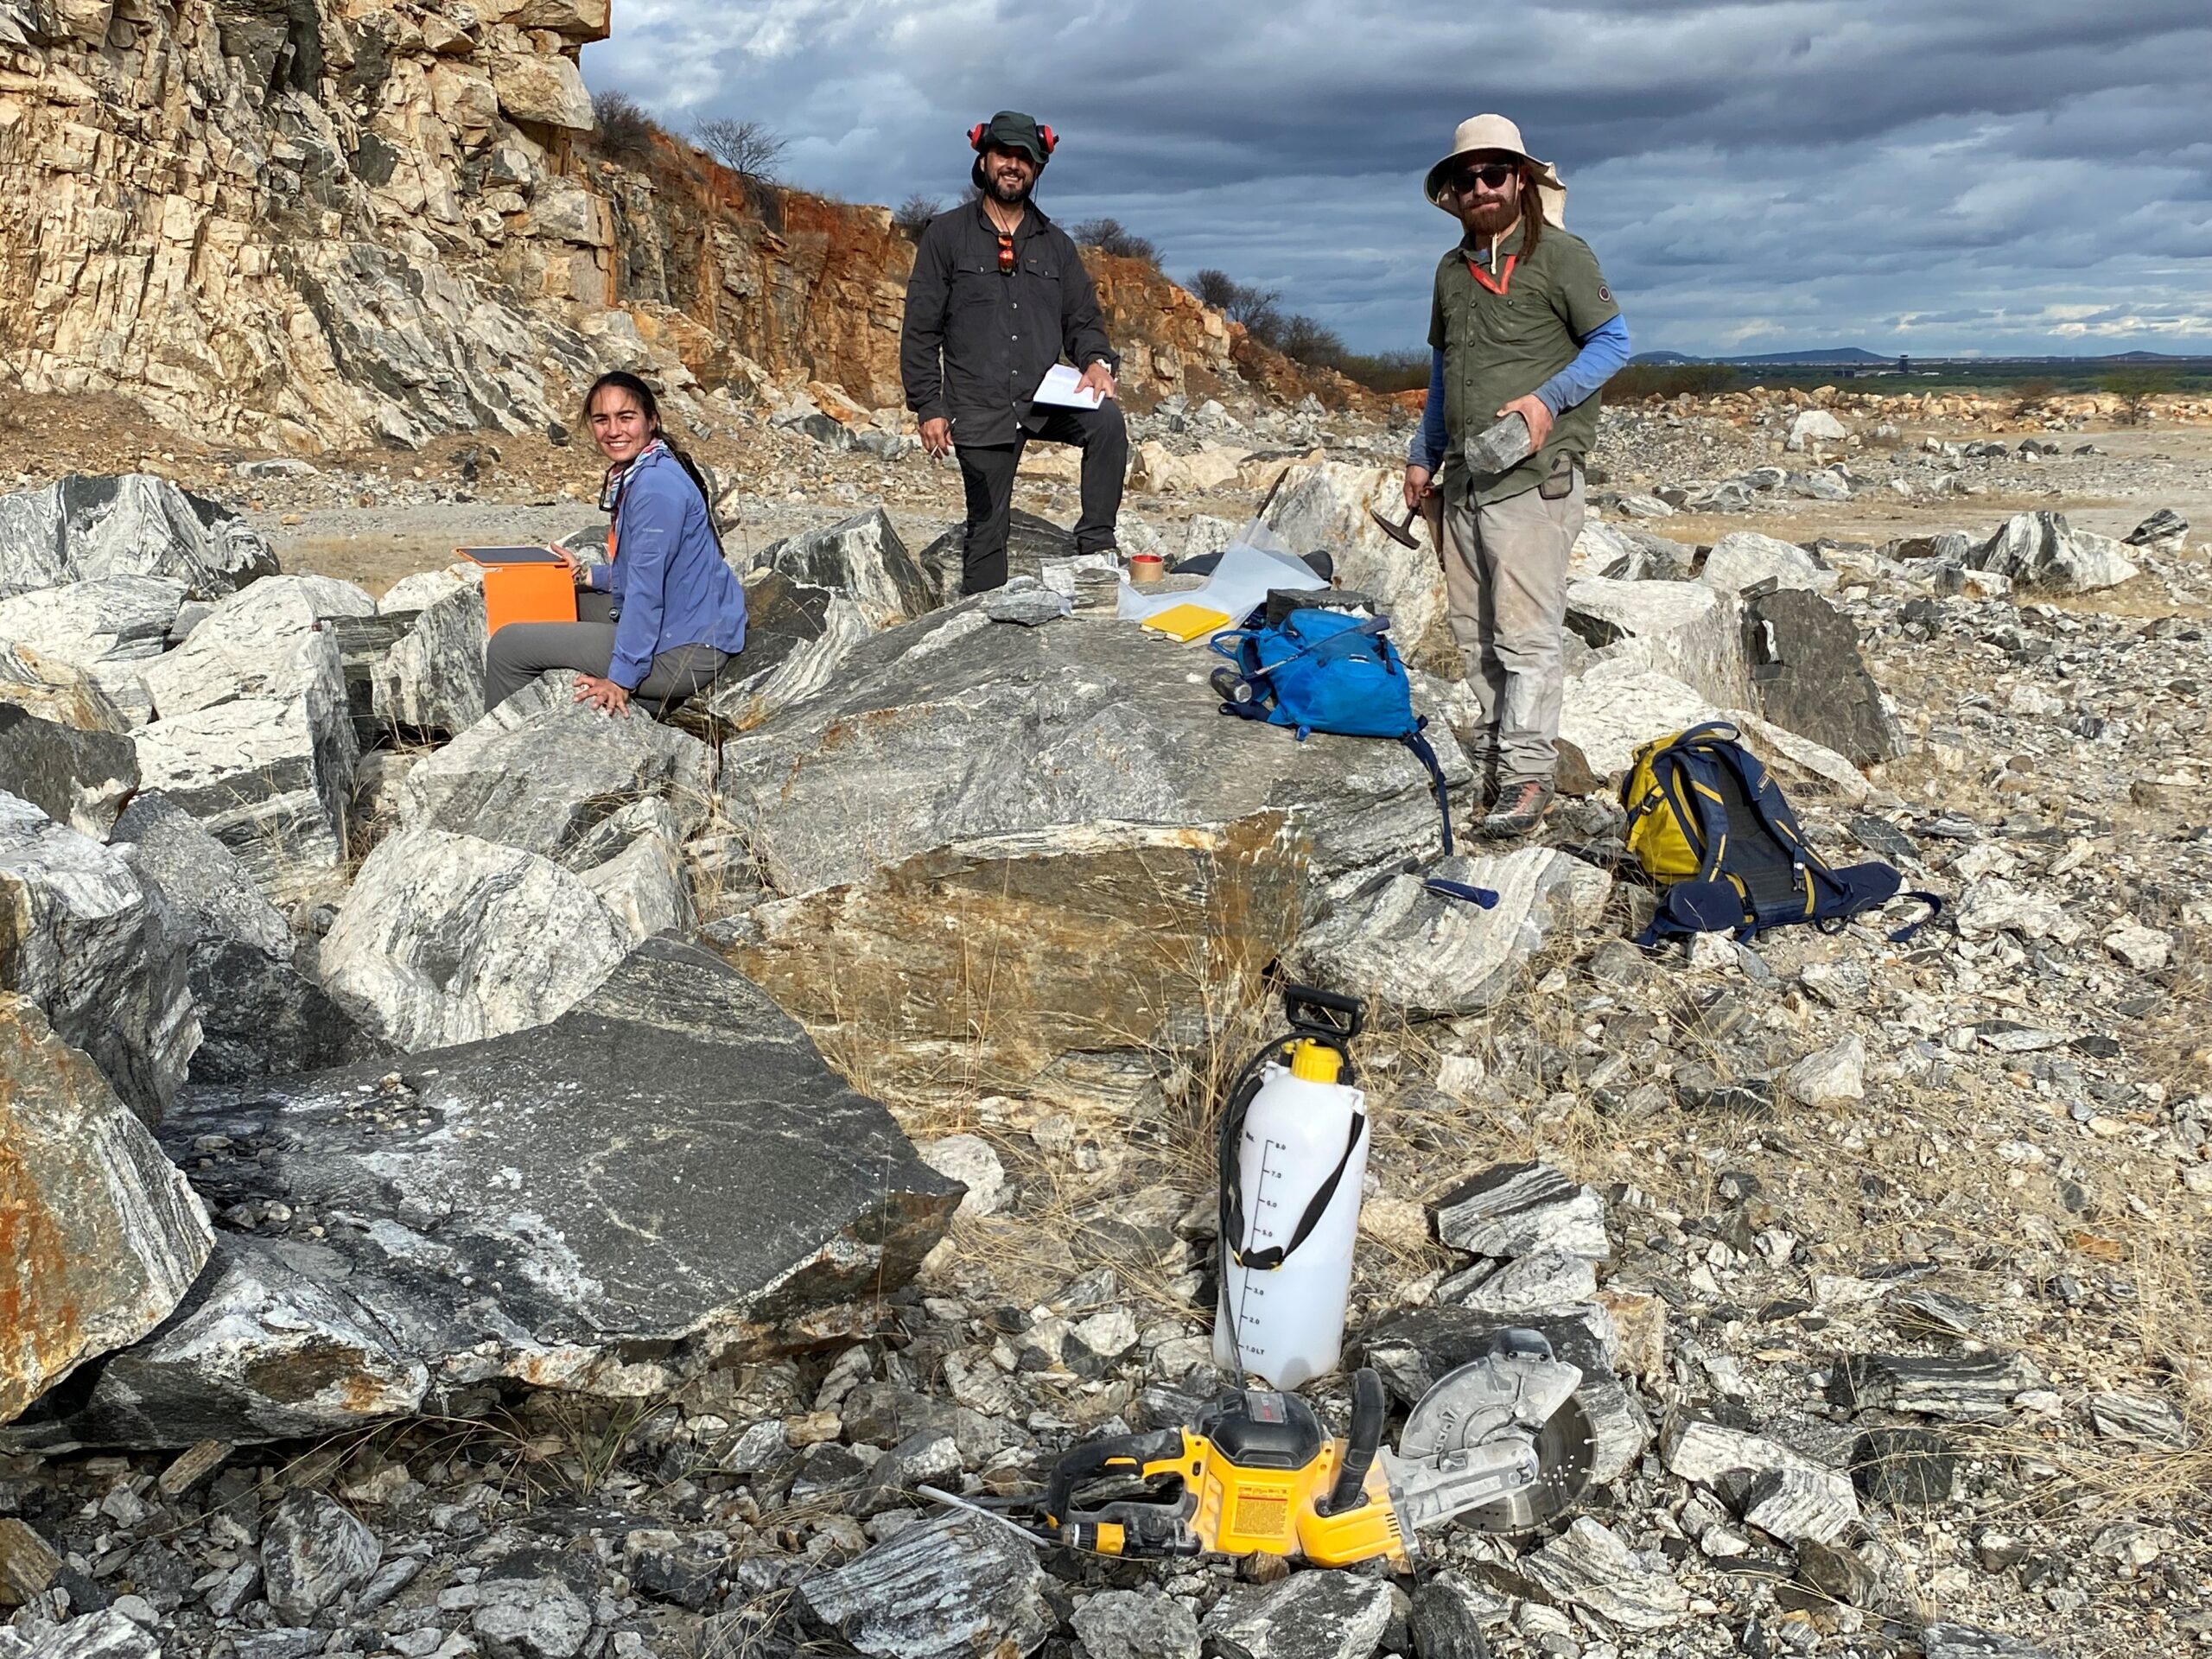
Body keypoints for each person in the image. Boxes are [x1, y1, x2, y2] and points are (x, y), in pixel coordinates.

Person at [1404, 115, 1630, 837]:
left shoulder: (1561, 256)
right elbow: (1445, 376)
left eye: (1494, 173)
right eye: (1466, 178)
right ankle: (1501, 765)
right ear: (1453, 193)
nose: (1480, 187)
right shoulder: (1449, 271)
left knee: (1528, 637)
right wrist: (1421, 453)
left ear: (1522, 181)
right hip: (1467, 479)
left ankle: (1529, 778)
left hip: (1535, 478)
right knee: (1474, 635)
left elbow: (1613, 342)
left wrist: (1545, 400)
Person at [899, 110, 1127, 594]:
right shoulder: (945, 235)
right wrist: (928, 406)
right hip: (979, 406)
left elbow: (1083, 321)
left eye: (1025, 158)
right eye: (1005, 154)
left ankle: (1096, 550)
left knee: (1107, 422)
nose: (1013, 165)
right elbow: (921, 329)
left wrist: (1095, 362)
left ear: (1038, 168)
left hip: (1043, 398)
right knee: (987, 532)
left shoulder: (1058, 246)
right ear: (984, 159)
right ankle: (984, 636)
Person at [483, 372, 747, 717]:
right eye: (601, 419)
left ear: (652, 420)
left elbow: (646, 591)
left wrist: (622, 679)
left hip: (685, 650)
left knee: (509, 645)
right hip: (686, 623)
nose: (613, 430)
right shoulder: (650, 466)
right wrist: (587, 577)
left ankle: (492, 757)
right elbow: (648, 570)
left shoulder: (654, 488)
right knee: (549, 601)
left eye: (626, 417)